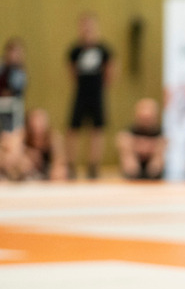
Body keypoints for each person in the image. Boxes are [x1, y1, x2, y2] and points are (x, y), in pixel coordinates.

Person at [66, 13, 115, 179]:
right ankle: (71, 165)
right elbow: (71, 71)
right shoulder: (75, 50)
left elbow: (110, 70)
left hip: (97, 94)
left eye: (90, 27)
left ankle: (93, 165)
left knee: (97, 129)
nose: (87, 30)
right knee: (73, 128)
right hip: (81, 93)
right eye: (84, 27)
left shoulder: (103, 49)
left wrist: (101, 86)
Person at [0, 108, 66, 181]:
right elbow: (9, 154)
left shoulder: (53, 139)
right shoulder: (22, 136)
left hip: (46, 177)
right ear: (28, 126)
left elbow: (60, 161)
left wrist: (56, 169)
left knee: (60, 172)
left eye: (40, 127)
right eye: (34, 128)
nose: (37, 131)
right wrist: (25, 154)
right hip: (24, 178)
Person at [116, 98, 165, 180]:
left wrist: (143, 146)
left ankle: (151, 175)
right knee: (126, 150)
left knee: (158, 155)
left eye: (148, 119)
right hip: (134, 167)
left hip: (153, 169)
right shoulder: (130, 132)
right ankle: (133, 175)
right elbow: (123, 140)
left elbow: (163, 144)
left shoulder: (159, 133)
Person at [0, 37, 27, 133]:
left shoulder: (19, 73)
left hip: (13, 109)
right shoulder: (2, 68)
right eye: (12, 52)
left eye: (17, 52)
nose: (14, 55)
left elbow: (14, 90)